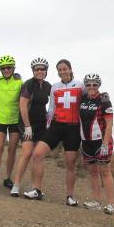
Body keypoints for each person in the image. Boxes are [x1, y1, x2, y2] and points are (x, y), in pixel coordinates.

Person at [23, 59, 84, 205]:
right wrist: (47, 125)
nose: (62, 71)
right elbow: (51, 108)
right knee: (37, 154)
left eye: (65, 69)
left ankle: (70, 197)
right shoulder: (55, 87)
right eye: (60, 69)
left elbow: (89, 101)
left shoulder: (80, 85)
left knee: (70, 164)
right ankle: (37, 190)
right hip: (57, 126)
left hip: (73, 128)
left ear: (70, 69)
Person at [10, 57, 52, 197]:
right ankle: (16, 185)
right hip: (26, 123)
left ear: (46, 71)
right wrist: (27, 126)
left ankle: (36, 188)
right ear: (33, 71)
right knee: (27, 153)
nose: (40, 71)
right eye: (37, 69)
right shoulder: (28, 84)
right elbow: (22, 106)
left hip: (41, 124)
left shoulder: (47, 86)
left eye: (42, 69)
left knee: (38, 156)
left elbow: (51, 105)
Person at [79, 73, 114, 215]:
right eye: (88, 84)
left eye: (95, 84)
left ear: (99, 85)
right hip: (86, 141)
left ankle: (111, 204)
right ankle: (96, 201)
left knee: (105, 172)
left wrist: (105, 143)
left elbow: (109, 123)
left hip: (102, 142)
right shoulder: (82, 98)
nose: (91, 87)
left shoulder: (104, 100)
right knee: (93, 173)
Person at [0, 55, 23, 191]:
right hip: (0, 119)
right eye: (3, 68)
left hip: (15, 120)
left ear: (13, 68)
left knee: (12, 149)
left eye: (9, 68)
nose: (6, 70)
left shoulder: (19, 82)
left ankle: (7, 178)